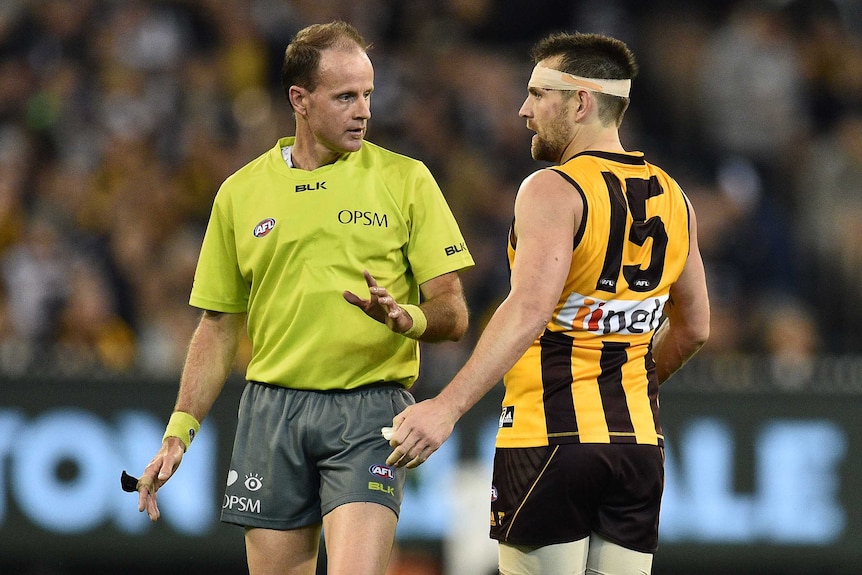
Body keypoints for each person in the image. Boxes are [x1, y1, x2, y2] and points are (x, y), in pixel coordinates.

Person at [128, 21, 474, 575]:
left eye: (368, 95)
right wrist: (179, 430)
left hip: (368, 412)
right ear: (300, 100)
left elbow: (453, 311)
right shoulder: (240, 193)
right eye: (345, 97)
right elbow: (217, 327)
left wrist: (405, 317)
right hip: (272, 411)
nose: (363, 111)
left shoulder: (406, 180)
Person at [385, 32, 710, 575]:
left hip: (548, 439)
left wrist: (446, 408)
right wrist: (628, 382)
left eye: (538, 94)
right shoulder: (675, 196)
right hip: (638, 446)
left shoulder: (553, 188)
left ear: (580, 102)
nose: (523, 110)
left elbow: (528, 308)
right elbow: (695, 327)